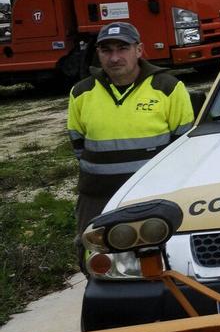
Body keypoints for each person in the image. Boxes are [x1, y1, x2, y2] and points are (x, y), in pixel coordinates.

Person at [65, 22, 194, 235]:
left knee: (156, 254)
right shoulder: (81, 92)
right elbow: (77, 143)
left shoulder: (168, 87)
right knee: (94, 255)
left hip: (154, 195)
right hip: (97, 196)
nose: (114, 58)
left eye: (122, 48)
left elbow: (183, 146)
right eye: (106, 50)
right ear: (98, 53)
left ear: (139, 50)